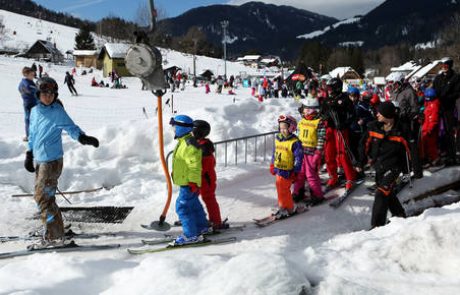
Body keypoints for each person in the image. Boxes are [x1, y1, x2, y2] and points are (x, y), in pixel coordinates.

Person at [24, 77, 99, 246]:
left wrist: (82, 137)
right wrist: (29, 153)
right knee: (44, 197)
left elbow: (71, 127)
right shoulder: (35, 111)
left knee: (42, 198)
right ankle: (52, 226)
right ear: (38, 94)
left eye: (52, 93)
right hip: (40, 160)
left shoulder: (57, 111)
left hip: (51, 162)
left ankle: (54, 235)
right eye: (44, 93)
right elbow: (33, 134)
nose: (48, 96)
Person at [360, 101, 408, 228]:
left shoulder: (401, 130)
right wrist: (361, 161)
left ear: (387, 114)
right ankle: (400, 215)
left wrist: (409, 172)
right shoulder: (374, 127)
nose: (377, 115)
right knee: (388, 192)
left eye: (379, 113)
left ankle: (377, 226)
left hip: (394, 168)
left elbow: (410, 151)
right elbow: (364, 144)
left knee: (381, 193)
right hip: (379, 166)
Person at [169, 115, 209, 245]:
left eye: (175, 127)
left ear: (181, 128)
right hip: (187, 181)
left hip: (188, 183)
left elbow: (194, 165)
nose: (173, 130)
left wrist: (192, 181)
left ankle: (191, 235)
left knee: (182, 207)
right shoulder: (184, 141)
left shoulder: (188, 145)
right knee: (194, 205)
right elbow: (183, 163)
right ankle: (202, 226)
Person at [321, 78, 357, 192]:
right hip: (329, 129)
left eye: (331, 88)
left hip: (340, 130)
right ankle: (333, 176)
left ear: (337, 87)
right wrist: (324, 118)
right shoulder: (327, 99)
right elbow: (323, 113)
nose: (329, 90)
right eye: (328, 88)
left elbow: (352, 114)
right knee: (328, 153)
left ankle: (350, 178)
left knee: (342, 154)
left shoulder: (344, 98)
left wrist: (345, 123)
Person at [191, 120, 226, 230]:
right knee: (192, 198)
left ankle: (216, 221)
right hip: (199, 178)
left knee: (209, 199)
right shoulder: (198, 144)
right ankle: (192, 218)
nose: (190, 133)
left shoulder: (204, 148)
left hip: (206, 179)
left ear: (198, 133)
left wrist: (193, 174)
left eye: (192, 131)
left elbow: (204, 166)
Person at [293, 99, 326, 205]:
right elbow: (298, 135)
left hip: (312, 153)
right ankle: (298, 192)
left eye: (307, 109)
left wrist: (318, 152)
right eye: (304, 109)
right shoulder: (301, 121)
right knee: (299, 173)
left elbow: (321, 138)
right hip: (301, 152)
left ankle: (317, 195)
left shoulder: (318, 122)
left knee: (311, 174)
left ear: (314, 110)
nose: (305, 111)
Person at [270, 115, 303, 218]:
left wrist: (296, 171)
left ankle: (289, 207)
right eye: (281, 128)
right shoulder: (278, 138)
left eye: (285, 128)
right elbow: (274, 152)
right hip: (278, 169)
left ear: (291, 128)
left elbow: (299, 158)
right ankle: (282, 206)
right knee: (279, 188)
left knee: (285, 190)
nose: (282, 130)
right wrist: (272, 164)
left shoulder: (295, 142)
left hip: (288, 170)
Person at [393, 76, 423, 178]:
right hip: (398, 122)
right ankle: (405, 168)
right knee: (401, 146)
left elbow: (415, 108)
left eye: (396, 84)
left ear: (401, 82)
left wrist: (408, 114)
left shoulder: (409, 91)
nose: (395, 86)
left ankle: (417, 171)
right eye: (394, 84)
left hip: (408, 123)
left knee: (412, 146)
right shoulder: (397, 92)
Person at [433, 57, 460, 165]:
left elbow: (458, 92)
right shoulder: (438, 78)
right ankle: (442, 153)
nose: (444, 67)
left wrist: (447, 98)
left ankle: (452, 155)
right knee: (439, 131)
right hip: (438, 108)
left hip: (449, 109)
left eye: (446, 65)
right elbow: (434, 91)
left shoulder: (455, 77)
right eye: (442, 65)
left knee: (449, 131)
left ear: (450, 66)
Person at [421, 88, 441, 167]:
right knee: (426, 145)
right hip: (426, 128)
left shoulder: (434, 105)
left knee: (431, 146)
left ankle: (435, 159)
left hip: (430, 130)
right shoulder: (429, 104)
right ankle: (430, 158)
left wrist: (430, 129)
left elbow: (433, 119)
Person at [18, 67, 38, 142]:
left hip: (34, 102)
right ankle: (29, 136)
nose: (33, 75)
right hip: (29, 103)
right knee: (29, 119)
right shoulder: (25, 82)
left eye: (33, 74)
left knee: (36, 118)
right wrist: (37, 90)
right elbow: (29, 88)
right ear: (26, 74)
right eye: (31, 74)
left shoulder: (30, 81)